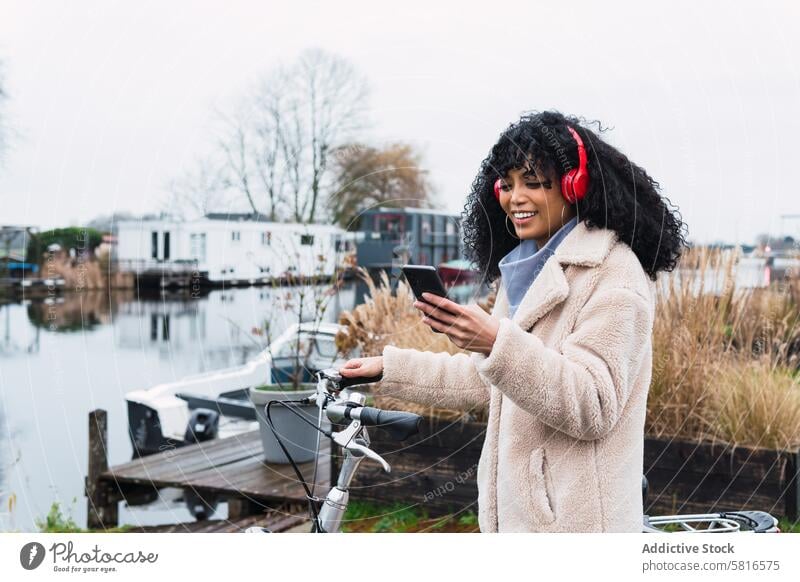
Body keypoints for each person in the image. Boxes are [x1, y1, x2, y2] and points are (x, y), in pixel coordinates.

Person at [339, 110, 687, 532]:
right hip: (518, 524)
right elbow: (491, 381)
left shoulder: (615, 273)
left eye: (533, 182)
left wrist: (492, 341)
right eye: (507, 184)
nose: (515, 197)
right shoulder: (526, 269)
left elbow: (593, 404)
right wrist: (386, 368)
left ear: (575, 184)